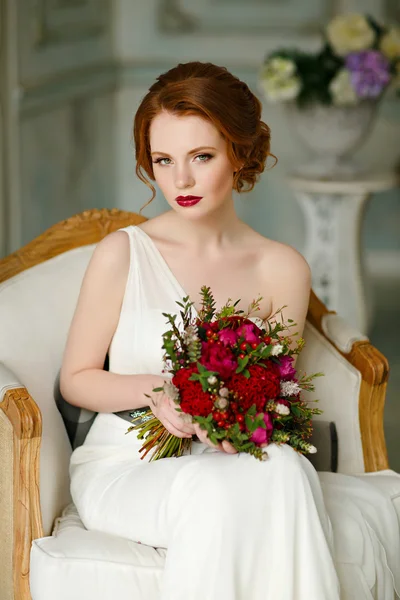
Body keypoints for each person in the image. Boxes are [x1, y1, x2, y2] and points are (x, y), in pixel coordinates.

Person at [60, 62, 398, 600]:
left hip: (230, 455)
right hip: (127, 464)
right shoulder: (124, 252)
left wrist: (231, 422)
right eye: (163, 161)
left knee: (283, 468)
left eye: (202, 157)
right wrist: (156, 391)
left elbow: (271, 390)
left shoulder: (281, 268)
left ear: (240, 154)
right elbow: (76, 379)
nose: (181, 181)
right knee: (236, 487)